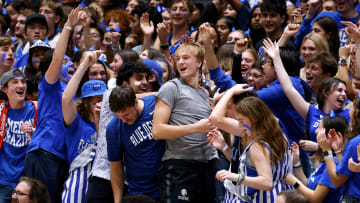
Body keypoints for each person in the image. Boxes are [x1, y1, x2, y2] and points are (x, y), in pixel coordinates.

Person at [24, 7, 81, 203]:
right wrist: (68, 26)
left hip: (60, 160)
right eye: (65, 61)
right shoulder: (49, 86)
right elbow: (56, 57)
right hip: (44, 154)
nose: (70, 64)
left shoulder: (75, 97)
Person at [153, 42, 218, 202]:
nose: (180, 62)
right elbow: (157, 131)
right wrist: (196, 128)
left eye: (186, 58)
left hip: (207, 165)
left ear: (199, 63)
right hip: (179, 165)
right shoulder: (171, 87)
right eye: (178, 59)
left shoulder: (205, 94)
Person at [85, 62, 152, 203]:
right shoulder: (111, 96)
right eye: (139, 78)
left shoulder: (143, 108)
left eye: (146, 78)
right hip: (103, 176)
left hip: (127, 181)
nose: (144, 82)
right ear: (125, 84)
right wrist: (166, 93)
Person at [212, 85, 292, 202]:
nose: (239, 126)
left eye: (241, 121)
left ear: (253, 118)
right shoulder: (280, 135)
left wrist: (234, 176)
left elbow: (266, 182)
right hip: (281, 195)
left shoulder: (257, 146)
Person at [61, 51, 105, 203]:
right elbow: (66, 99)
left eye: (103, 99)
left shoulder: (111, 124)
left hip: (102, 187)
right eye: (95, 99)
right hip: (76, 185)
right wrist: (84, 65)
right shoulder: (76, 121)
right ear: (85, 102)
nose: (100, 103)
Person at [107, 85, 165, 201]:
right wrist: (117, 201)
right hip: (139, 192)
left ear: (135, 102)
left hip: (167, 184)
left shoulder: (156, 104)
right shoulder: (114, 127)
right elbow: (115, 166)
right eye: (119, 117)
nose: (124, 120)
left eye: (126, 115)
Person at [284, 115, 348, 203]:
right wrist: (296, 163)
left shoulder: (334, 163)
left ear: (330, 135)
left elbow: (316, 198)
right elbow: (310, 186)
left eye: (319, 128)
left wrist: (295, 182)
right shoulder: (326, 159)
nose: (316, 131)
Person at [0, 69, 37, 203]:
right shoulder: (0, 110)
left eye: (23, 81)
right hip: (2, 181)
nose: (21, 85)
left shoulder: (36, 109)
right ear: (5, 89)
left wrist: (34, 134)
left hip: (27, 183)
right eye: (15, 82)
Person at [317, 96, 360, 202]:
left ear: (357, 113)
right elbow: (346, 172)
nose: (349, 112)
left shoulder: (355, 143)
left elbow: (337, 181)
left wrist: (326, 150)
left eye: (351, 109)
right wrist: (338, 151)